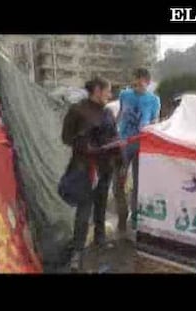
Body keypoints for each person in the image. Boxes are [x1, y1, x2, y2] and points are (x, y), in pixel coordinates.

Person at [61, 77, 121, 271]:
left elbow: (114, 135)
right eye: (107, 91)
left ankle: (100, 239)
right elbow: (66, 138)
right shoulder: (77, 110)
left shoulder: (108, 112)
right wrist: (84, 144)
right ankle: (77, 251)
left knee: (102, 204)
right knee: (84, 210)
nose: (110, 95)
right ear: (97, 90)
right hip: (86, 168)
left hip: (106, 167)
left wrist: (118, 153)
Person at [114, 68, 161, 239]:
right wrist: (113, 131)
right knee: (118, 181)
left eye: (141, 82)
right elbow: (120, 114)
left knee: (138, 184)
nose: (137, 85)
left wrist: (150, 131)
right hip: (123, 144)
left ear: (147, 83)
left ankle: (135, 217)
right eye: (135, 81)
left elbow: (155, 121)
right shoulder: (125, 95)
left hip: (142, 146)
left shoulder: (154, 100)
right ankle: (121, 216)